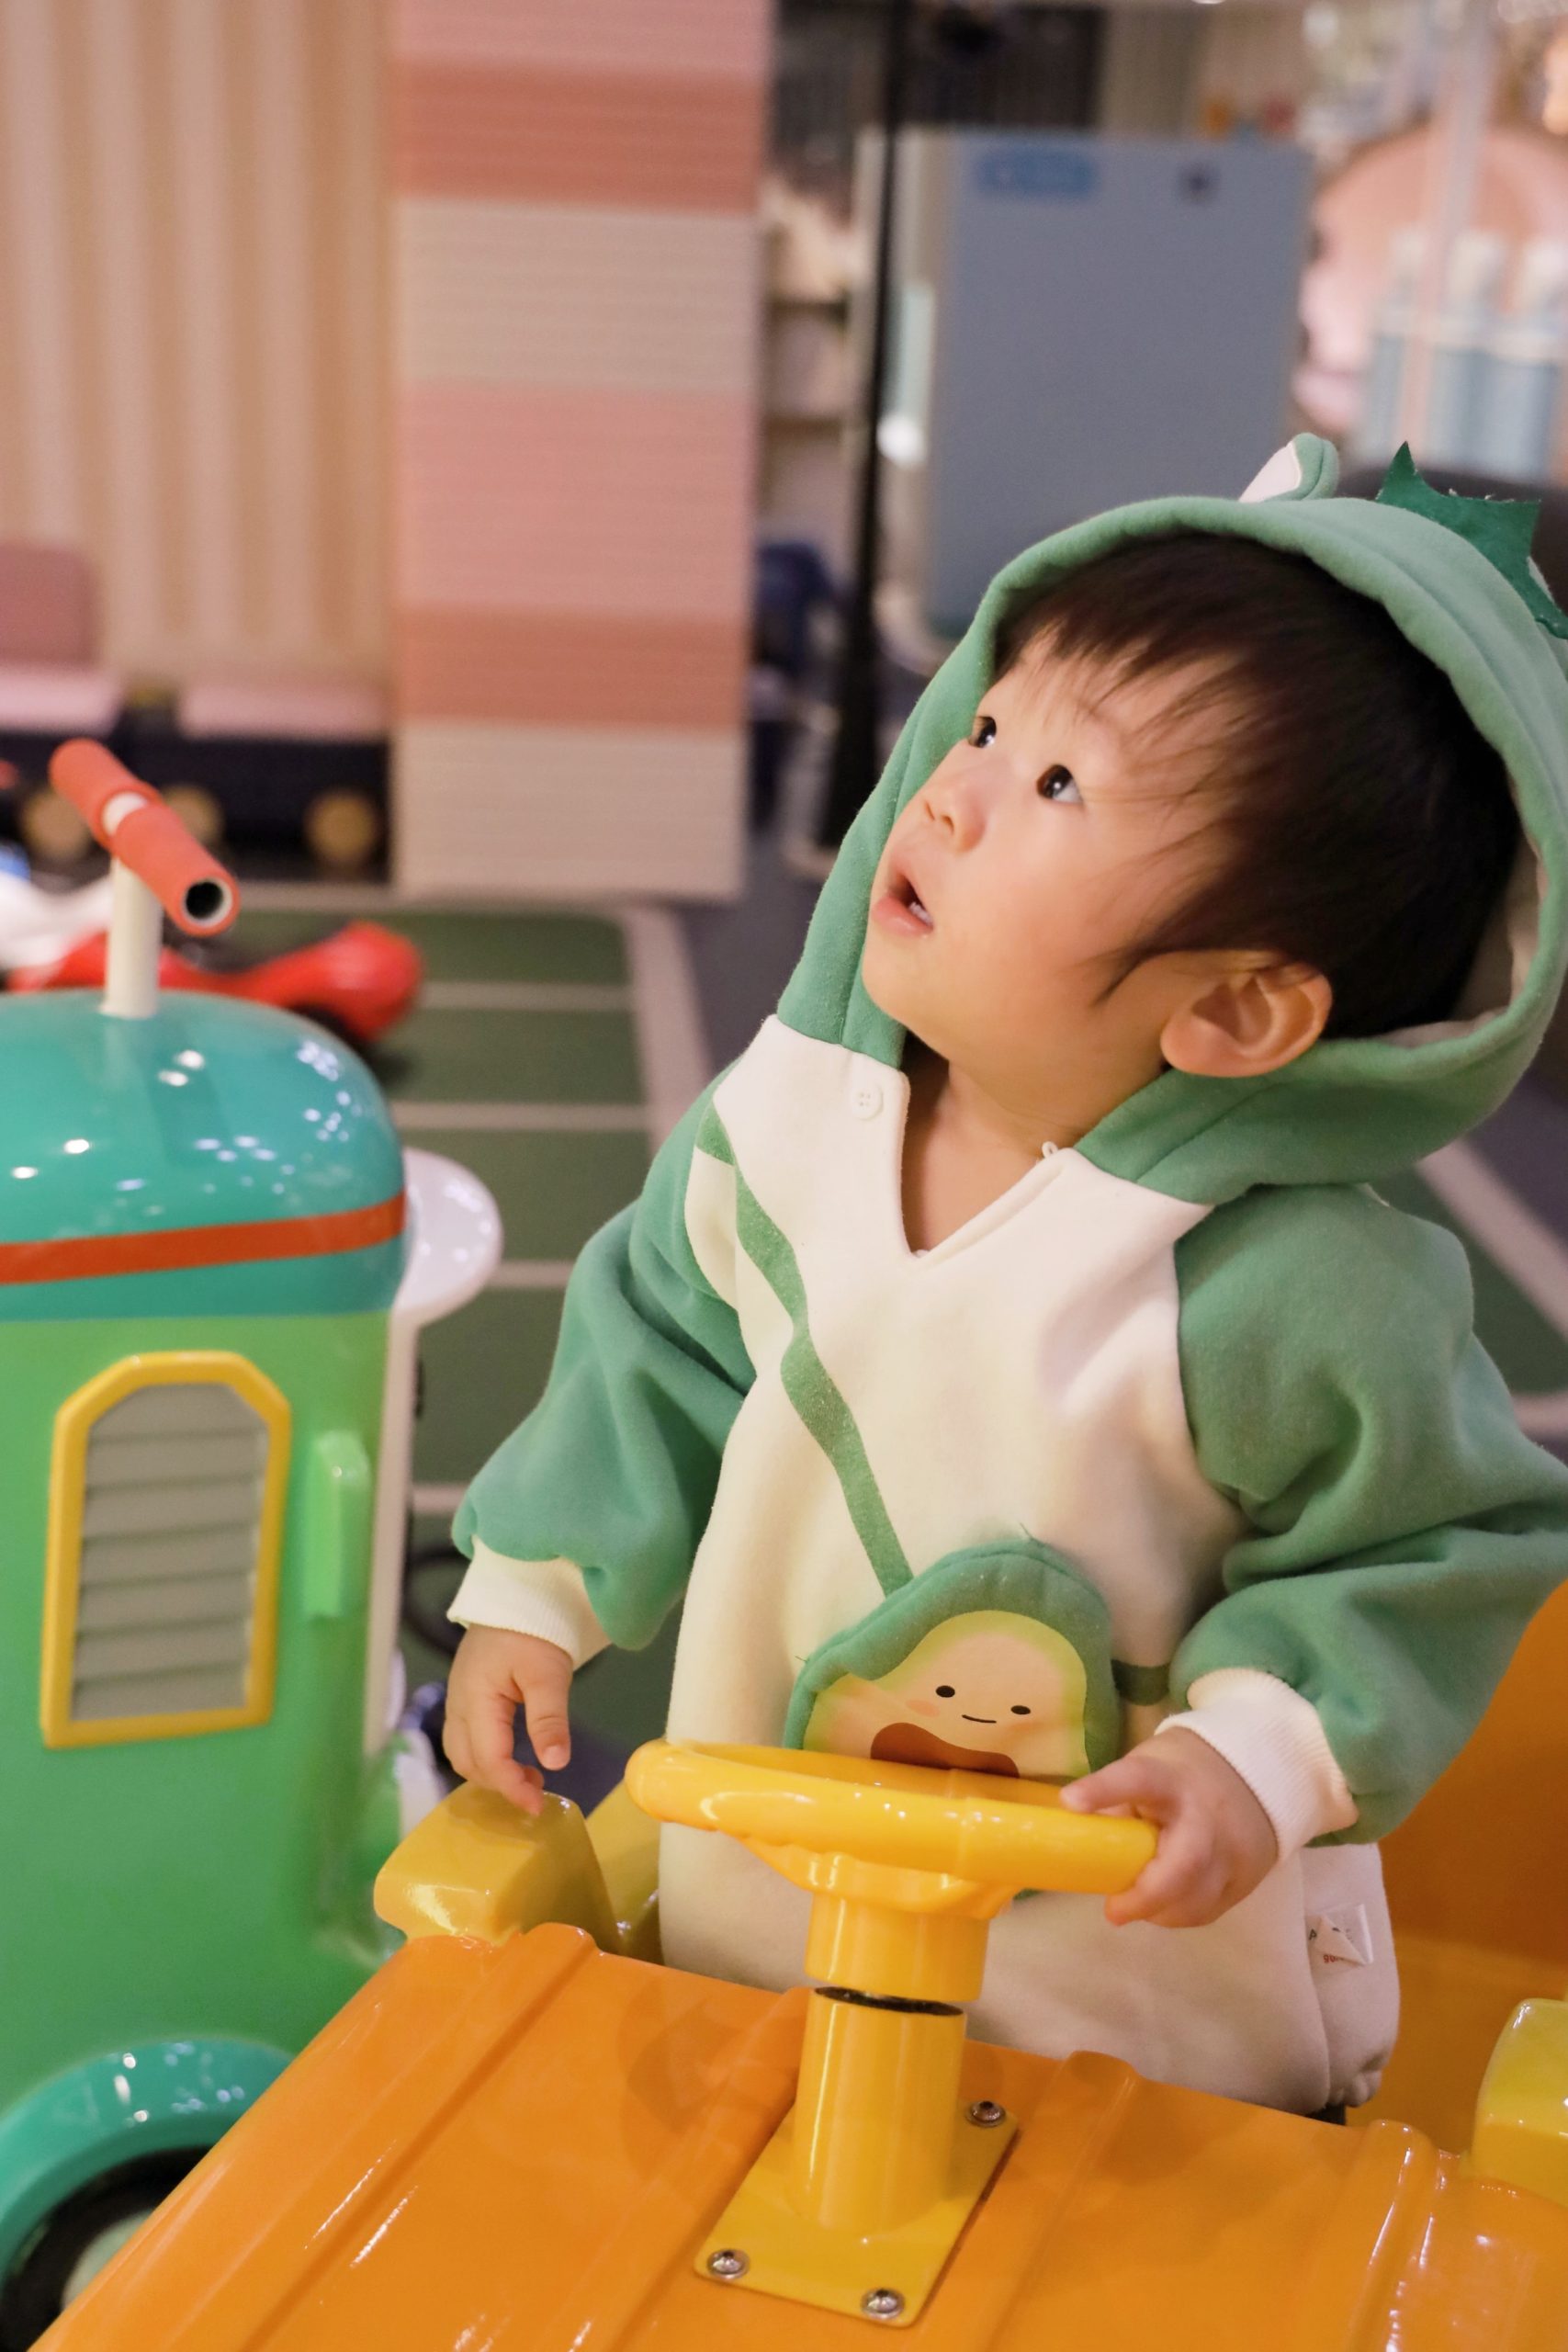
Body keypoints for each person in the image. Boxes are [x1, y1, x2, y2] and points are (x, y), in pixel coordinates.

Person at [440, 436, 1568, 2115]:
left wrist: (1251, 1750)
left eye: (1057, 788)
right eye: (983, 724)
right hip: (774, 1915)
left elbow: (1435, 1540)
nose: (947, 790)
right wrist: (539, 1588)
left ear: (1240, 1010)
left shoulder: (1279, 1286)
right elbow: (662, 1344)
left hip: (1135, 2018)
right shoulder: (794, 1129)